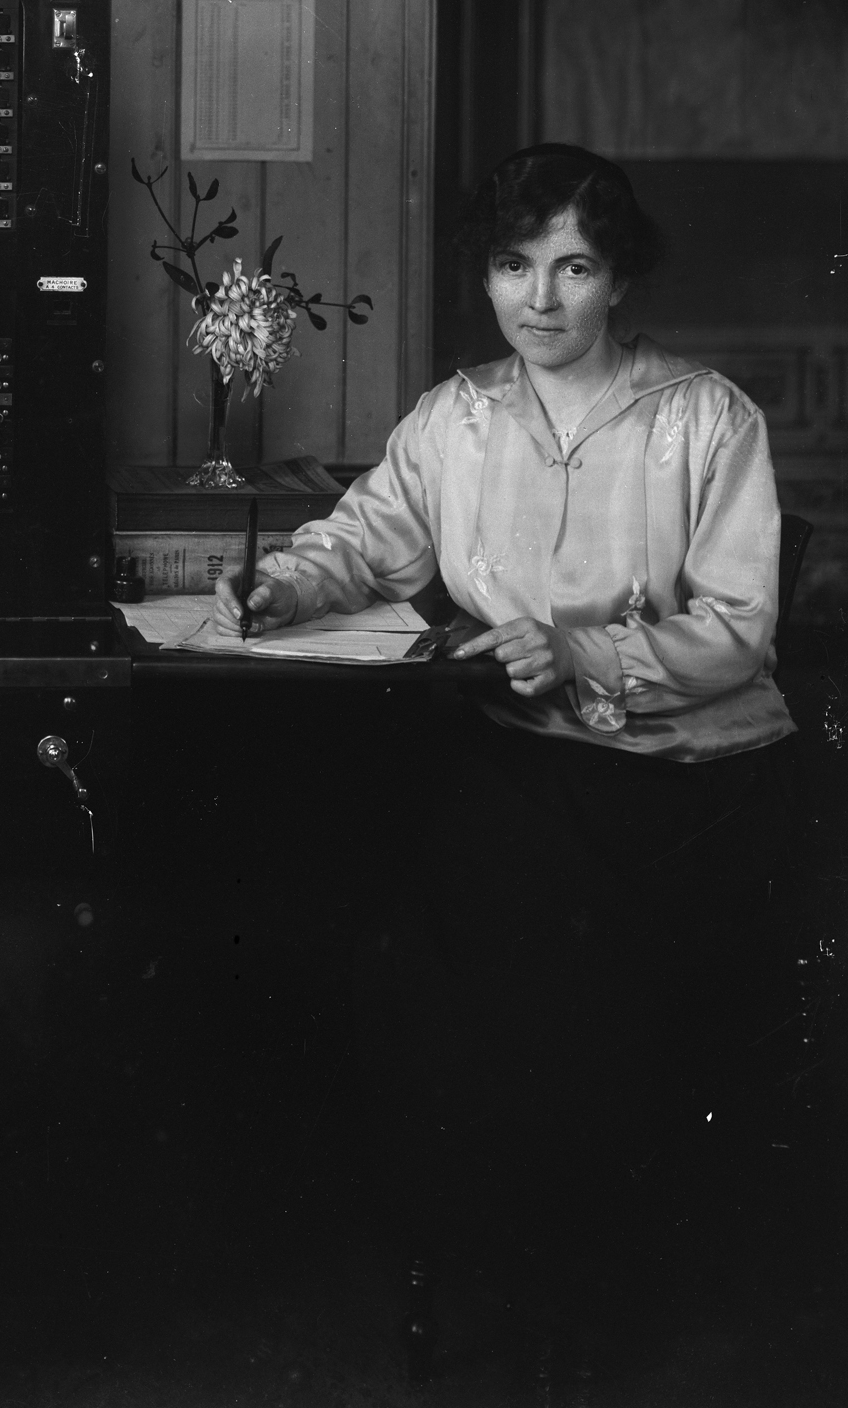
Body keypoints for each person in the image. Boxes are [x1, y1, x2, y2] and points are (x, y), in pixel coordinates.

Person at [214, 144, 800, 1298]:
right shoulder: (456, 418)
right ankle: (459, 1239)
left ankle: (565, 1264)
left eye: (572, 268)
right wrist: (282, 585)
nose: (538, 299)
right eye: (512, 264)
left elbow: (739, 627)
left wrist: (578, 647)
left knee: (511, 955)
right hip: (523, 755)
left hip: (680, 779)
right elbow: (362, 536)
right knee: (387, 918)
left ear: (619, 280)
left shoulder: (706, 419)